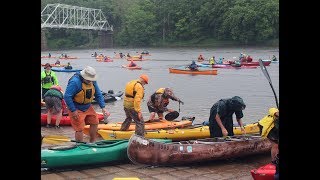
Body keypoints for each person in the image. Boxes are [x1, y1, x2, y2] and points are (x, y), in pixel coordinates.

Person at [64, 66, 110, 143]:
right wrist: (73, 110)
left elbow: (98, 94)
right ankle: (80, 146)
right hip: (76, 107)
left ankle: (93, 142)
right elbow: (67, 96)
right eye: (88, 79)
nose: (90, 81)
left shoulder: (92, 81)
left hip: (88, 106)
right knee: (79, 128)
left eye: (91, 79)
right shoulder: (75, 82)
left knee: (95, 122)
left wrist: (103, 107)